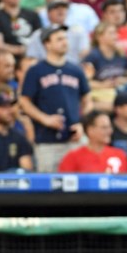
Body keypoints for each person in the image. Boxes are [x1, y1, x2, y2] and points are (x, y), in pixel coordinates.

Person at [19, 24, 92, 172]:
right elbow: (24, 101)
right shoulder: (36, 71)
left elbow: (87, 100)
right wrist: (44, 118)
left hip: (74, 138)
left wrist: (82, 123)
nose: (64, 42)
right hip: (47, 140)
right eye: (59, 39)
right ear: (47, 44)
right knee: (48, 189)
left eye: (65, 38)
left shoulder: (75, 69)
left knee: (82, 185)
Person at [59, 110, 127, 173]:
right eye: (104, 127)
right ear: (90, 130)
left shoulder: (119, 155)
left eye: (110, 127)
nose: (110, 131)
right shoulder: (73, 157)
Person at [0, 91, 33, 173]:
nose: (9, 111)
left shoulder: (18, 137)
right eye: (4, 107)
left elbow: (27, 169)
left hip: (17, 183)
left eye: (10, 107)